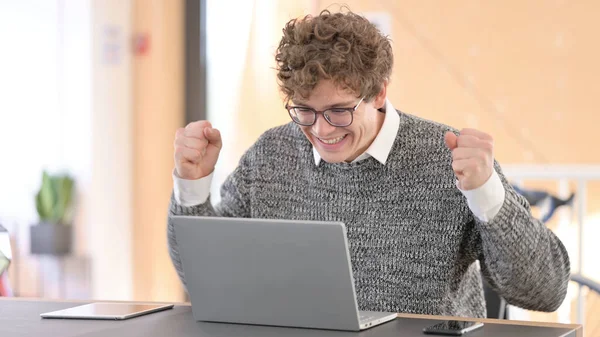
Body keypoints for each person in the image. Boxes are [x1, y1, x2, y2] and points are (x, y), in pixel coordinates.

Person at [167, 9, 570, 318]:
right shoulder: (271, 155)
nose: (322, 130)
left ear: (378, 92)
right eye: (305, 111)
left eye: (339, 111)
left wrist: (489, 197)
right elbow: (207, 280)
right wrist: (191, 186)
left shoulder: (449, 160)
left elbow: (546, 292)